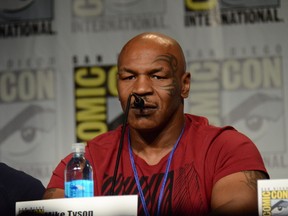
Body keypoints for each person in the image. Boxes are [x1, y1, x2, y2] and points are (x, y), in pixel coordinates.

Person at [43, 32, 269, 215]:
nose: (141, 89)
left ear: (184, 85)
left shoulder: (225, 149)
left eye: (157, 76)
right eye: (129, 77)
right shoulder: (85, 163)